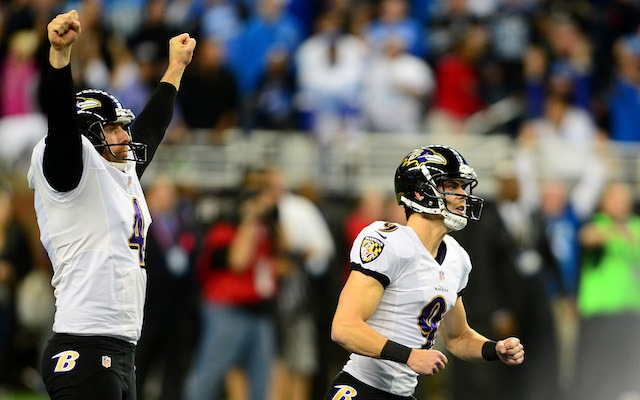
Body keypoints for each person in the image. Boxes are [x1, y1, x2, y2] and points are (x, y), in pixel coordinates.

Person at [28, 10, 195, 400]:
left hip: (119, 348)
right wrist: (59, 57)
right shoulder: (70, 168)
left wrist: (175, 69)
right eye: (114, 127)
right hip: (84, 345)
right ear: (87, 134)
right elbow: (61, 125)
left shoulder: (120, 171)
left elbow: (152, 127)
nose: (125, 135)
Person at [325, 145, 525, 399]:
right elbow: (344, 327)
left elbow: (457, 336)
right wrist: (409, 355)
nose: (462, 195)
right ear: (420, 192)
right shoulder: (389, 242)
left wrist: (494, 349)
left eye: (462, 186)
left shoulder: (456, 257)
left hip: (403, 393)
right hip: (362, 387)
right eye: (451, 186)